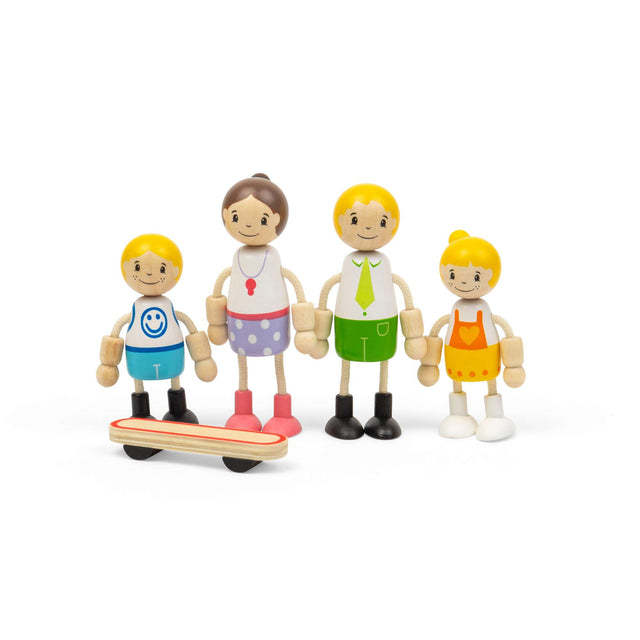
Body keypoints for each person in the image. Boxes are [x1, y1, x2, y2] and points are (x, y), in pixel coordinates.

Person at [311, 183, 427, 440]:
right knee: (346, 364)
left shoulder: (384, 264)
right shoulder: (349, 264)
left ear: (391, 225)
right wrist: (320, 333)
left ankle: (383, 416)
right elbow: (328, 289)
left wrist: (413, 334)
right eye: (355, 220)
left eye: (381, 222)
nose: (366, 228)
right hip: (349, 321)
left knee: (383, 365)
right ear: (341, 223)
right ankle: (343, 416)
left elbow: (403, 291)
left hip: (381, 322)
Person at [206, 174, 316, 437]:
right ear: (226, 217)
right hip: (239, 319)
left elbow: (293, 283)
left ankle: (282, 415)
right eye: (236, 217)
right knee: (242, 366)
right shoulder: (237, 258)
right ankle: (243, 413)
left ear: (277, 220)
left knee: (278, 363)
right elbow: (220, 287)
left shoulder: (272, 257)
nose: (247, 225)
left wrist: (304, 327)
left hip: (274, 318)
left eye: (262, 220)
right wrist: (217, 323)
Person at [97, 233, 217, 459]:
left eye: (162, 269)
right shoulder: (137, 308)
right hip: (140, 355)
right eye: (138, 267)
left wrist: (202, 358)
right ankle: (141, 416)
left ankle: (178, 412)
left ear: (175, 272)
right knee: (139, 385)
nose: (150, 274)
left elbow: (190, 327)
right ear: (127, 270)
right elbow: (117, 331)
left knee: (174, 381)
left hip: (170, 353)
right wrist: (109, 363)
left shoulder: (168, 306)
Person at [418, 230, 526, 441]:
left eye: (476, 277)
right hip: (457, 358)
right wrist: (430, 363)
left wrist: (513, 365)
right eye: (453, 275)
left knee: (490, 382)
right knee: (457, 381)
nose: (464, 283)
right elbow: (436, 331)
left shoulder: (483, 310)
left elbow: (506, 331)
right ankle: (458, 414)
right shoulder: (455, 310)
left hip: (486, 356)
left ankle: (495, 416)